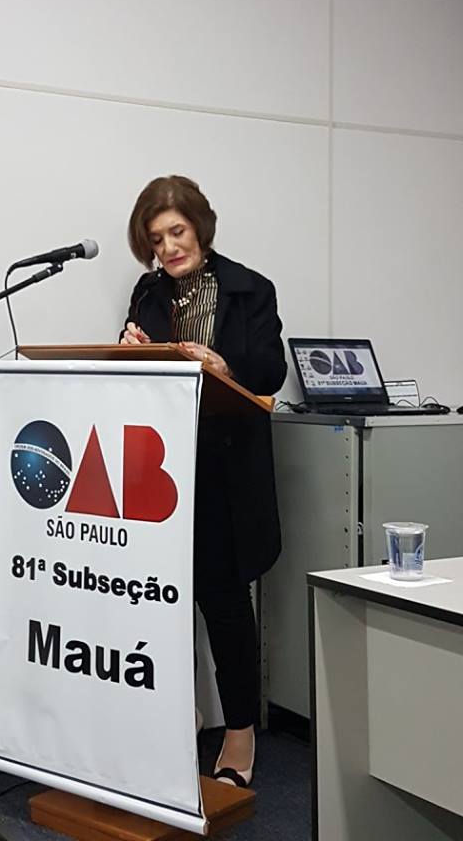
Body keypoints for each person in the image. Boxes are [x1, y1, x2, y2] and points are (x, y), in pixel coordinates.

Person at [120, 175, 286, 788]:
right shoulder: (146, 292)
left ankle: (240, 731)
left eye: (176, 232)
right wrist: (129, 347)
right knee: (158, 603)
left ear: (200, 227)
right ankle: (176, 713)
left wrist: (223, 364)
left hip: (224, 471)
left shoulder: (250, 289)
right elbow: (140, 381)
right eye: (156, 239)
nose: (167, 248)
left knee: (223, 604)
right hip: (162, 472)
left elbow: (270, 370)